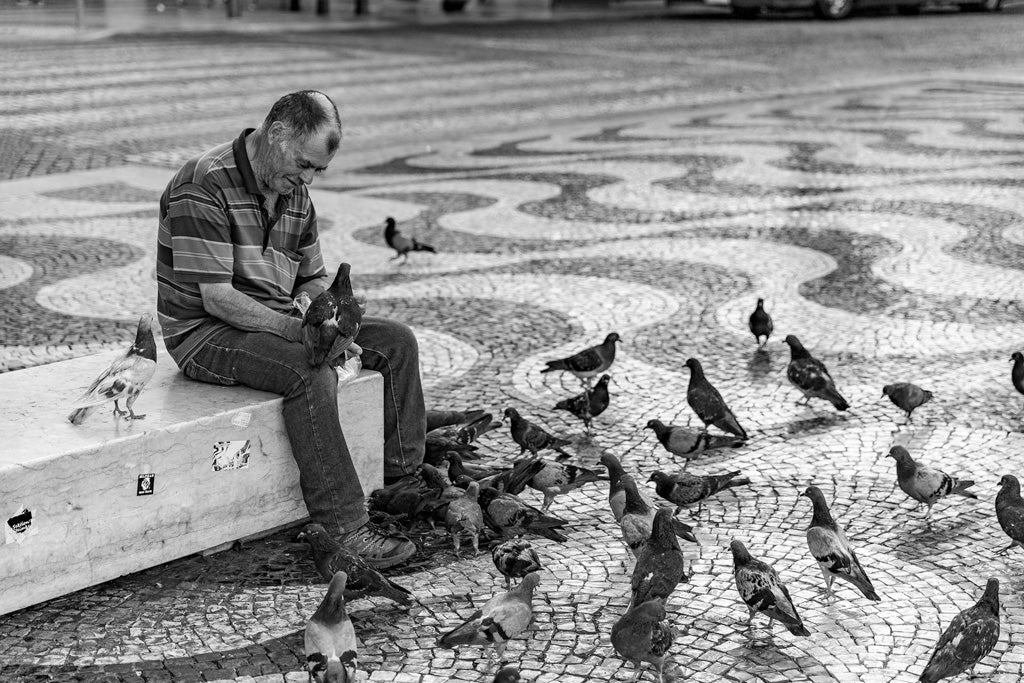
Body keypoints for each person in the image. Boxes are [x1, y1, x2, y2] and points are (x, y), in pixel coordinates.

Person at [155, 90, 424, 568]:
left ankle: (402, 481)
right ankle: (345, 530)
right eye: (304, 164)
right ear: (276, 133)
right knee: (308, 370)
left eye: (317, 171)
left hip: (276, 318)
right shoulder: (203, 184)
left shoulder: (294, 192)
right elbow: (215, 297)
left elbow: (312, 275)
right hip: (203, 333)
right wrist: (297, 331)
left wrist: (322, 315)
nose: (306, 178)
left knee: (397, 341)